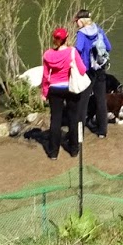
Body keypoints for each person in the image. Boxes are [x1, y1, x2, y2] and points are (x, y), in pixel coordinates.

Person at [39, 28, 87, 158]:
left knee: (55, 120)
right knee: (73, 118)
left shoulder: (48, 54)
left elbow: (45, 76)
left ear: (54, 39)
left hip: (54, 89)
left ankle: (53, 152)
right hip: (70, 88)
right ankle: (74, 150)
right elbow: (83, 70)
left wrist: (44, 93)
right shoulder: (72, 52)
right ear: (67, 38)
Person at [74, 9, 113, 139]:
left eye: (77, 21)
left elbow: (78, 49)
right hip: (100, 69)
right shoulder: (99, 29)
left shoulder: (81, 34)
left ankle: (80, 135)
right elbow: (108, 47)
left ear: (81, 20)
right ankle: (102, 131)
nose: (76, 24)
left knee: (82, 102)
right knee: (101, 100)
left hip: (87, 71)